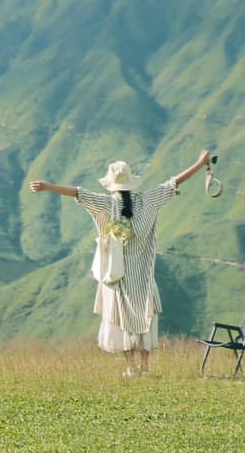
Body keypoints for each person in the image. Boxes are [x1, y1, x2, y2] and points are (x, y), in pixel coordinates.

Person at [29, 148, 215, 376]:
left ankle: (131, 367)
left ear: (111, 184)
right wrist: (200, 162)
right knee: (144, 319)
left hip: (117, 277)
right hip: (144, 277)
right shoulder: (148, 200)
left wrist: (48, 186)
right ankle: (145, 367)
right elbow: (174, 182)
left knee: (123, 321)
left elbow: (78, 192)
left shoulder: (105, 204)